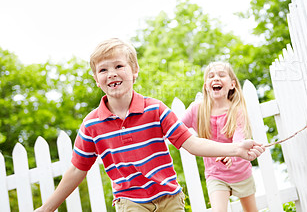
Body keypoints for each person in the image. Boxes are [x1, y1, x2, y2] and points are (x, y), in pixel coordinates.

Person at [35, 38, 264, 212]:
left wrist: (236, 149)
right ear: (96, 78)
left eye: (118, 66)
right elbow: (77, 169)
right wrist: (47, 208)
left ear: (134, 71)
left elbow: (191, 142)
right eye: (103, 70)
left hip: (169, 197)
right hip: (130, 201)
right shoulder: (91, 125)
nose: (111, 74)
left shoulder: (155, 109)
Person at [180, 62, 258, 212]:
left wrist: (233, 154)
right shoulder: (197, 109)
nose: (216, 78)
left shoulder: (237, 110)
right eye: (211, 76)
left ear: (232, 84)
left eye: (222, 75)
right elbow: (175, 128)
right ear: (206, 86)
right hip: (216, 175)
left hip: (241, 172)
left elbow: (239, 137)